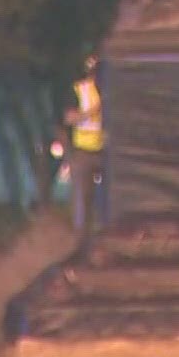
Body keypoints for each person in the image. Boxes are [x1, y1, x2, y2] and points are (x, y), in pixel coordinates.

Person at [65, 53, 106, 234]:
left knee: (108, 199)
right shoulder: (80, 90)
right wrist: (93, 111)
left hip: (107, 152)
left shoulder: (112, 91)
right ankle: (82, 238)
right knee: (82, 200)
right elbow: (70, 118)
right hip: (84, 152)